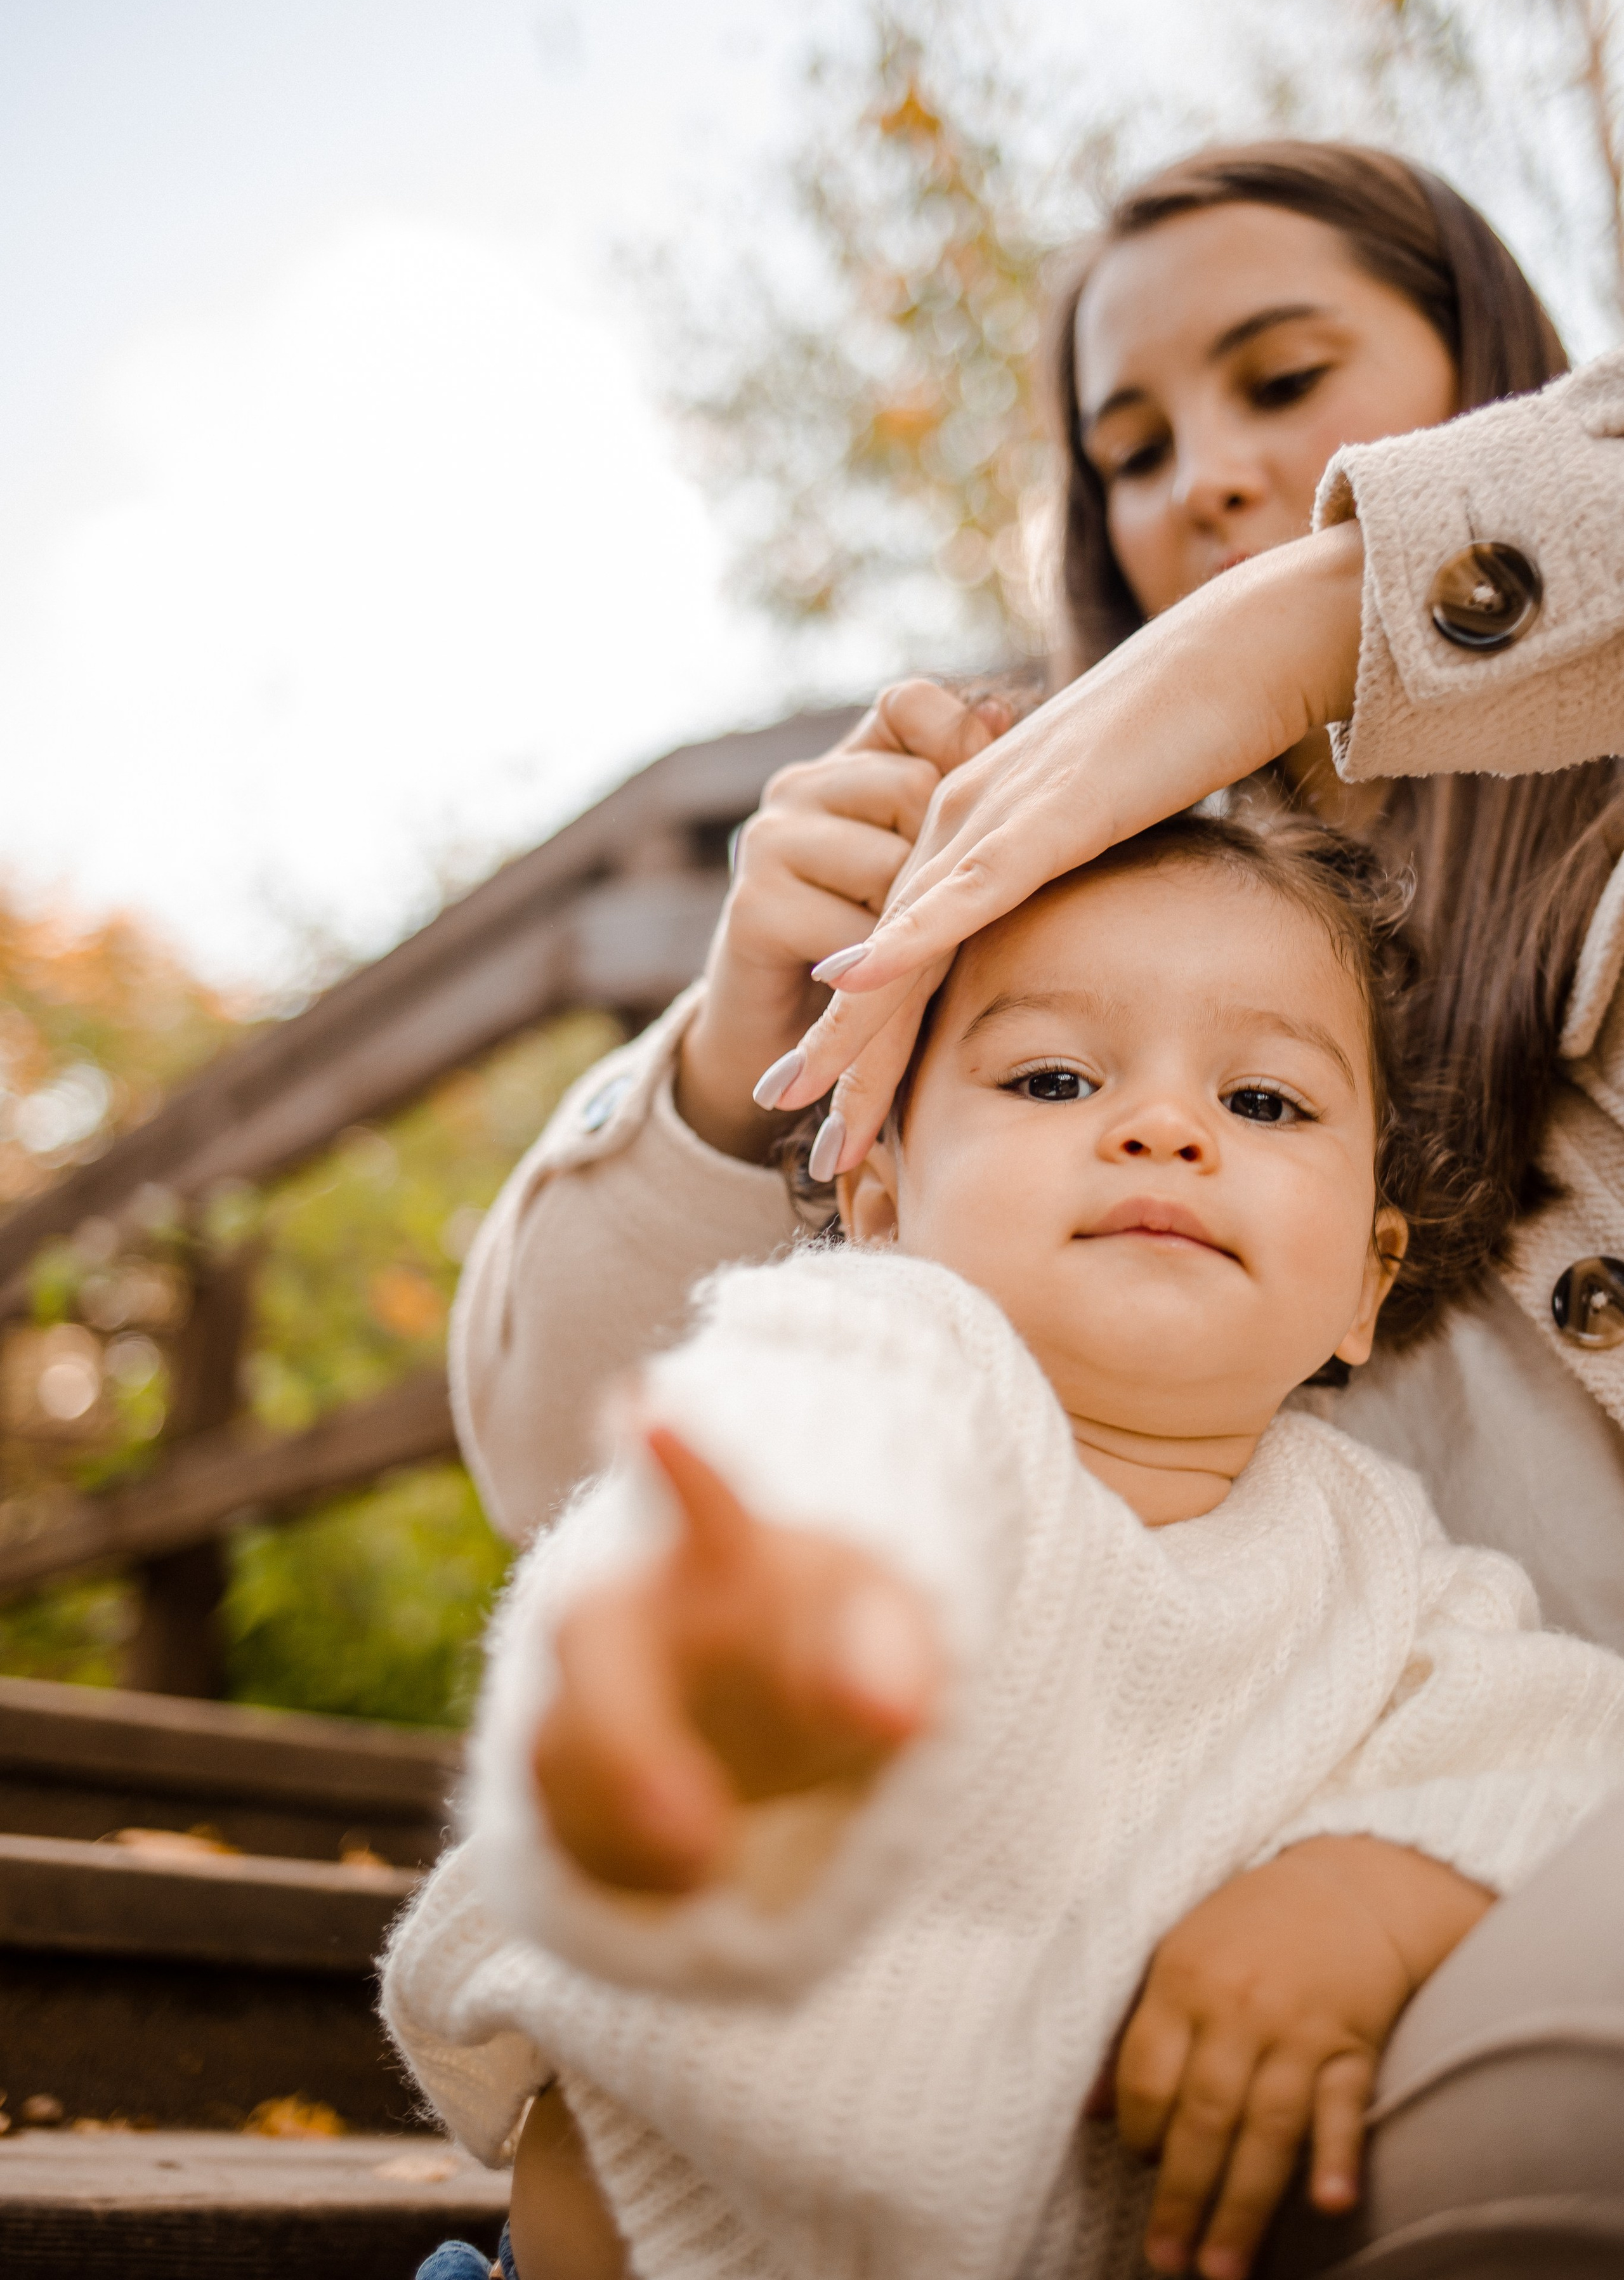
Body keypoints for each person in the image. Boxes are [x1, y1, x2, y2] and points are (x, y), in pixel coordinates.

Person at [445, 145, 1624, 2273]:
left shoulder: (1395, 1587)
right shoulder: (911, 1318)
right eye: (1133, 449)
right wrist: (750, 1061)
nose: (1211, 482)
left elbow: (1539, 1716)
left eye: (1287, 380)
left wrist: (1339, 614)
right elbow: (630, 1468)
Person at [388, 814, 1624, 2280]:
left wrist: (1357, 1894)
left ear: (1365, 1282)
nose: (1166, 1128)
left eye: (1265, 1102)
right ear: (880, 1205)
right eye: (1051, 1077)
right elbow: (764, 1485)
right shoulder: (882, 1372)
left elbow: (1554, 1743)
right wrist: (725, 1659)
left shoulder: (1383, 1572)